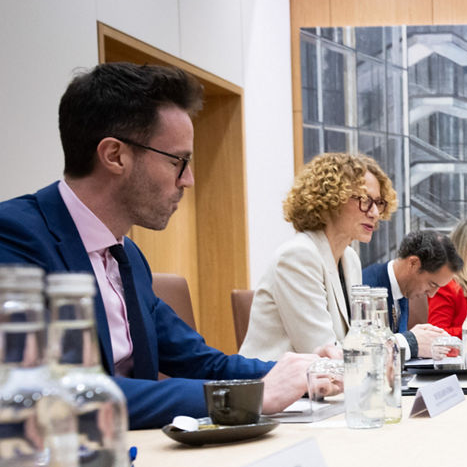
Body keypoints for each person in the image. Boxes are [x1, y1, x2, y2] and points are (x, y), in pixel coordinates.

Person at [0, 62, 319, 429]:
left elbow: (200, 361)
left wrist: (302, 372)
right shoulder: (15, 237)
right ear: (115, 155)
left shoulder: (127, 256)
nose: (189, 180)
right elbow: (63, 395)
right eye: (178, 162)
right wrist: (246, 395)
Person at [239, 152, 394, 360]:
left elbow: (356, 341)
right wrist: (406, 343)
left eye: (379, 203)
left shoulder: (350, 259)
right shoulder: (298, 256)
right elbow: (324, 351)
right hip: (274, 386)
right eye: (365, 200)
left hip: (325, 386)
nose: (375, 213)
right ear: (331, 199)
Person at [361, 229, 462, 358]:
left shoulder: (404, 289)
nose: (431, 295)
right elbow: (368, 351)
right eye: (432, 284)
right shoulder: (368, 288)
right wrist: (412, 341)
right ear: (413, 263)